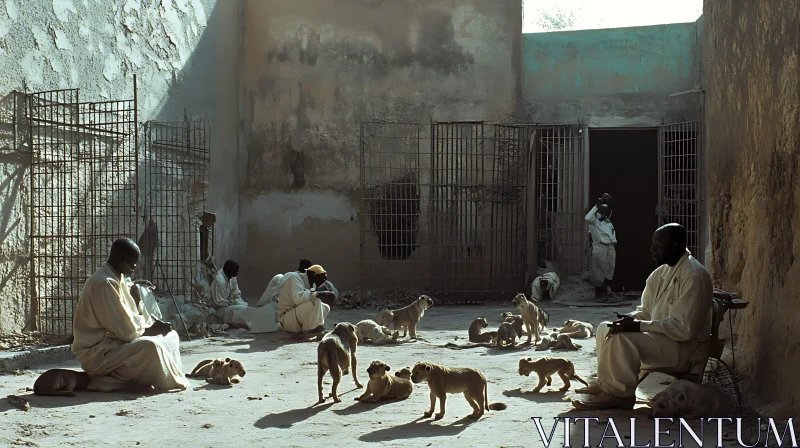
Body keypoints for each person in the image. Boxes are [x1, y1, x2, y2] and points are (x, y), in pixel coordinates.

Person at [571, 223, 713, 410]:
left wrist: (639, 326)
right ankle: (607, 383)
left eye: (657, 245)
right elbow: (645, 311)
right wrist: (629, 319)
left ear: (675, 246)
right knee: (607, 327)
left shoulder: (694, 275)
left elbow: (684, 330)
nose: (651, 250)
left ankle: (620, 394)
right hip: (662, 340)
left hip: (683, 349)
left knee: (623, 339)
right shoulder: (660, 274)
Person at [71, 238, 190, 393]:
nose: (134, 267)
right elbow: (125, 331)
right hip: (99, 353)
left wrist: (141, 310)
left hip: (117, 345)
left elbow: (131, 319)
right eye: (133, 262)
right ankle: (110, 380)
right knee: (150, 346)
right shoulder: (104, 283)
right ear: (122, 259)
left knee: (171, 336)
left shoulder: (118, 279)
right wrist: (150, 330)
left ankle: (144, 378)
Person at [276, 264, 335, 339]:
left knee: (325, 307)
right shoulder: (294, 278)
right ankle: (310, 331)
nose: (322, 282)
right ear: (313, 275)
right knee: (316, 302)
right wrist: (317, 294)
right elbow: (297, 299)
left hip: (294, 317)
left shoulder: (308, 282)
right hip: (285, 318)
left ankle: (311, 329)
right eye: (322, 279)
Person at [585, 193, 616, 301]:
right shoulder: (594, 222)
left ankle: (605, 292)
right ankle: (599, 294)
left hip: (610, 247)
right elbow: (587, 217)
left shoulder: (608, 222)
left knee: (609, 270)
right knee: (599, 271)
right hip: (600, 246)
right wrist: (598, 204)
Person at [210, 260, 250, 328]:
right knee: (240, 310)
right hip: (220, 309)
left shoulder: (232, 277)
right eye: (236, 270)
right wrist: (234, 303)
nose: (237, 272)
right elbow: (220, 302)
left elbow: (236, 293)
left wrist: (239, 302)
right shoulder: (219, 281)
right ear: (229, 270)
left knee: (246, 308)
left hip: (229, 305)